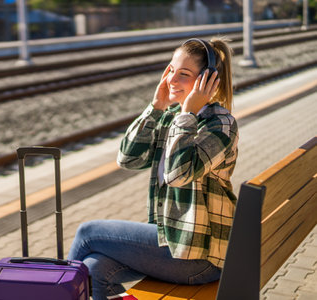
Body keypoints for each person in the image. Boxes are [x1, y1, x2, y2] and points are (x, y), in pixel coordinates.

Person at [68, 37, 239, 300]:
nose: (172, 79)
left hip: (199, 256)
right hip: (171, 244)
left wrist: (187, 115)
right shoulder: (170, 117)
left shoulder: (220, 124)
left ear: (207, 80)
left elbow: (178, 174)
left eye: (183, 74)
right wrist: (157, 107)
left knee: (87, 233)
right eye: (171, 70)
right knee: (94, 268)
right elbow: (127, 159)